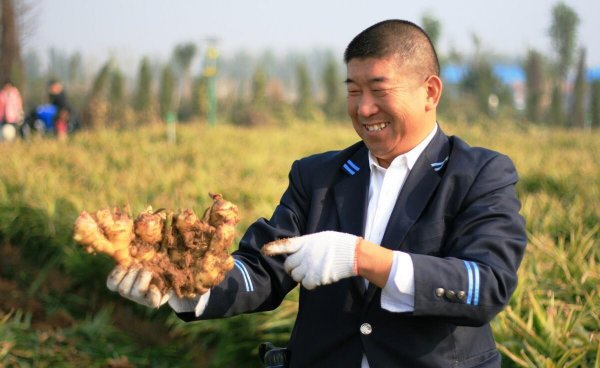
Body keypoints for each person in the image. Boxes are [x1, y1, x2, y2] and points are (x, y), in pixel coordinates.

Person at [108, 19, 527, 367]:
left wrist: (362, 258)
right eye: (353, 90)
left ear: (430, 92)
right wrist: (185, 286)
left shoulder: (479, 174)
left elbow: (485, 284)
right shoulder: (318, 175)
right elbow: (262, 267)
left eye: (380, 90)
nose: (364, 108)